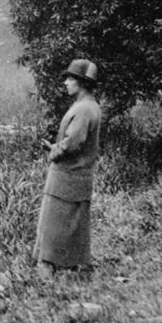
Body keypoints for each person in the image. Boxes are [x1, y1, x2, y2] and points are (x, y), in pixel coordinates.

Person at [35, 59, 102, 279]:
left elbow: (73, 143)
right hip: (78, 177)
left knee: (53, 226)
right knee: (72, 226)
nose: (65, 83)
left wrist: (53, 150)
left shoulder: (83, 109)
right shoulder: (91, 106)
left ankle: (48, 272)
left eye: (70, 78)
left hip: (66, 178)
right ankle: (73, 268)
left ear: (82, 83)